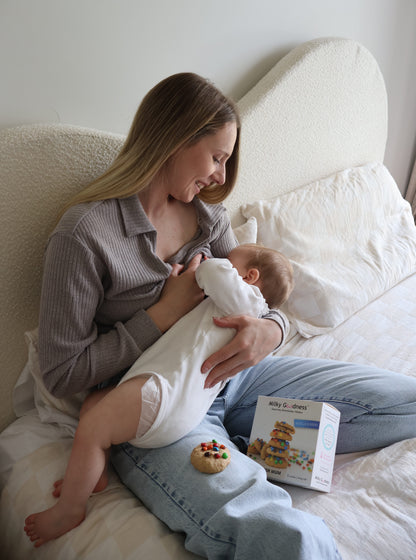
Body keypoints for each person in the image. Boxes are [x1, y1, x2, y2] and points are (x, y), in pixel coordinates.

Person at [23, 72, 416, 559]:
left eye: (226, 162)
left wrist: (269, 333)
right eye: (217, 157)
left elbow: (262, 297)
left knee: (405, 400)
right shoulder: (85, 235)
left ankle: (245, 434)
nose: (220, 177)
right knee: (288, 538)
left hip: (240, 375)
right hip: (160, 405)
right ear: (172, 138)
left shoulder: (207, 216)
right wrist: (163, 313)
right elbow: (61, 373)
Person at [24, 244, 294, 544]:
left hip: (164, 395)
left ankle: (69, 509)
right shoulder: (235, 305)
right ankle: (94, 474)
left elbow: (213, 273)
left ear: (250, 276)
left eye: (231, 261)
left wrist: (200, 265)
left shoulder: (247, 301)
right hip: (170, 399)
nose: (224, 260)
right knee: (93, 404)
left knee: (92, 428)